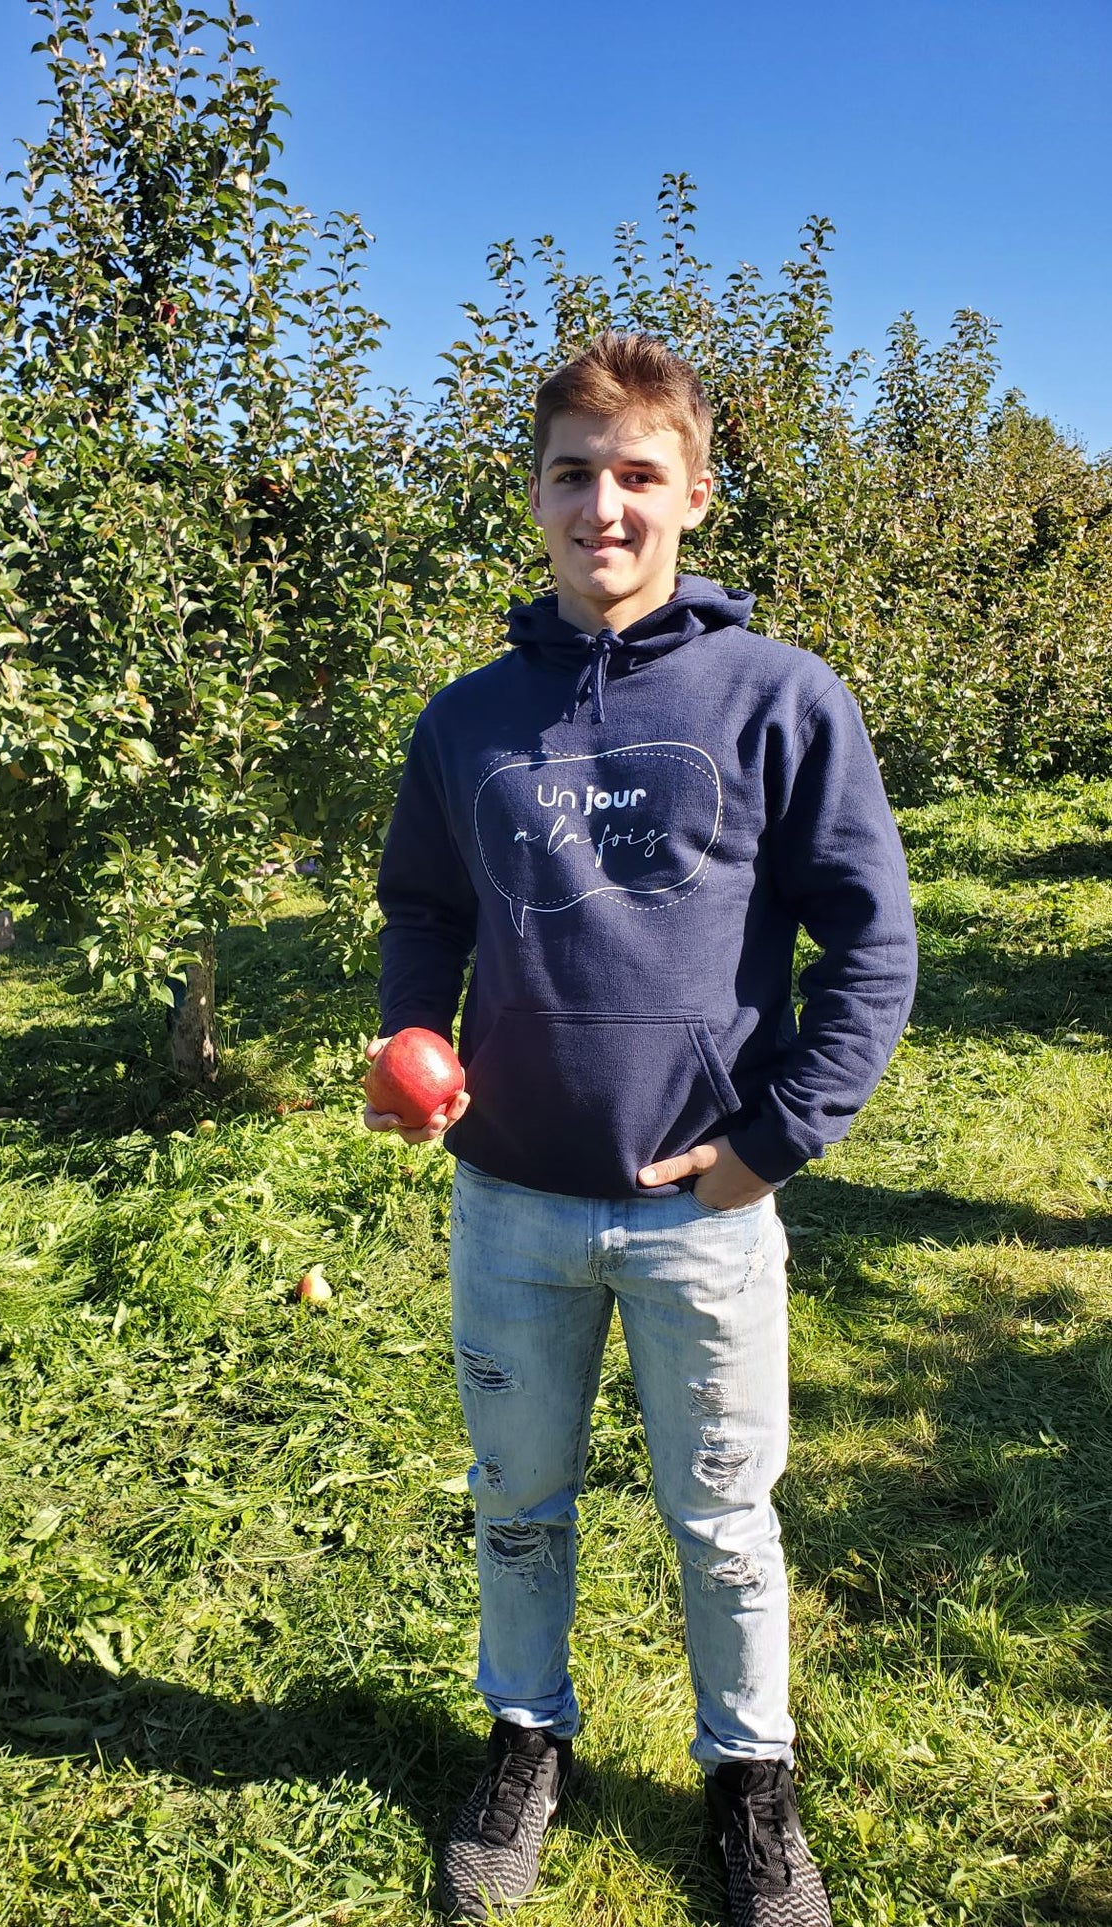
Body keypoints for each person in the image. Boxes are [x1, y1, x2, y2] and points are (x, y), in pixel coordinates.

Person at [363, 331, 917, 1926]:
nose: (600, 505)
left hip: (703, 1205)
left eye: (634, 475)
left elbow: (864, 941)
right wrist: (412, 1032)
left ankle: (751, 1784)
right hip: (511, 1198)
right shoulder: (467, 719)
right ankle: (526, 1738)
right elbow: (422, 909)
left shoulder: (778, 697)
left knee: (724, 1517)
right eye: (569, 473)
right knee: (515, 1497)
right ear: (529, 492)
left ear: (691, 496)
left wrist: (774, 1138)